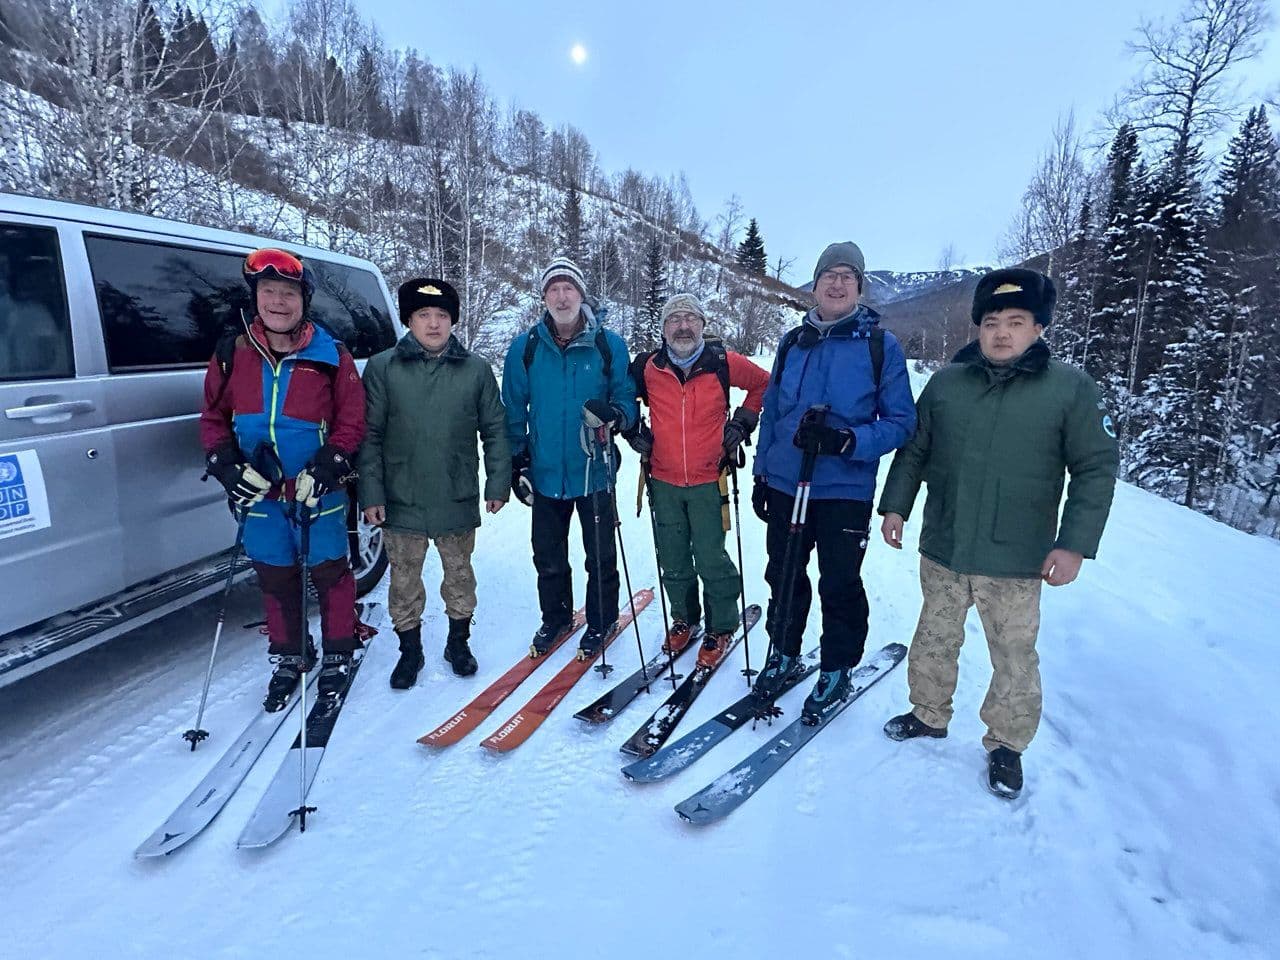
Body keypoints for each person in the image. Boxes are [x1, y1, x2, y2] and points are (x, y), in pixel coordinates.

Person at [878, 268, 1118, 799]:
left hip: (1016, 557)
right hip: (945, 544)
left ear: (1038, 327)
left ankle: (1007, 745)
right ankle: (928, 713)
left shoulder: (1070, 390)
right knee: (935, 636)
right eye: (991, 322)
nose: (1002, 333)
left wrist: (1074, 543)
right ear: (978, 328)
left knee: (1012, 654)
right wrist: (895, 506)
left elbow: (1096, 468)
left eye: (1016, 321)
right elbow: (915, 451)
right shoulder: (946, 385)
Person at [751, 241, 916, 723]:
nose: (837, 283)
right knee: (781, 573)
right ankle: (782, 652)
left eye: (847, 276)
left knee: (839, 581)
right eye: (829, 275)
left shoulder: (879, 346)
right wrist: (763, 472)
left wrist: (848, 441)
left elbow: (902, 422)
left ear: (859, 287)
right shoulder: (792, 342)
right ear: (816, 284)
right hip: (786, 482)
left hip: (843, 489)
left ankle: (837, 665)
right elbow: (774, 410)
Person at [200, 248, 366, 709]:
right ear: (255, 297)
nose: (278, 301)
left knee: (331, 571)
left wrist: (330, 463)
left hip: (318, 490)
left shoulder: (331, 355)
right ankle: (291, 654)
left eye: (288, 292)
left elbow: (353, 421)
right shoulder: (233, 353)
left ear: (303, 300)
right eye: (268, 291)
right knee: (275, 576)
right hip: (260, 493)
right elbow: (212, 418)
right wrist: (226, 464)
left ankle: (338, 650)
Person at [357, 278, 510, 689]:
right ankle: (411, 651)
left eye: (442, 315)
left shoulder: (475, 369)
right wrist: (370, 492)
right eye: (424, 315)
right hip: (400, 496)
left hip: (454, 493)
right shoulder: (383, 367)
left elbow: (496, 428)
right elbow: (368, 435)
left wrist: (498, 482)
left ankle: (458, 644)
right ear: (409, 319)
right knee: (404, 581)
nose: (434, 324)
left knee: (459, 575)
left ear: (452, 321)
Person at [502, 256, 637, 659]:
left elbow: (627, 399)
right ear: (544, 298)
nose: (562, 297)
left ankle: (601, 619)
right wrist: (517, 460)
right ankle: (557, 617)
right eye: (553, 289)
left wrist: (616, 414)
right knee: (548, 553)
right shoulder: (525, 347)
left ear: (581, 294)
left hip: (593, 469)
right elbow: (513, 408)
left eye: (569, 288)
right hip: (545, 472)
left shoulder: (607, 344)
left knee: (600, 553)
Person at [625, 293, 768, 666]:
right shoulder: (647, 368)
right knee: (672, 558)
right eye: (674, 319)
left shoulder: (722, 362)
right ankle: (684, 619)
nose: (683, 325)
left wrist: (744, 420)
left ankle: (721, 625)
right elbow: (621, 397)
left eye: (691, 318)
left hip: (709, 479)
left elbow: (765, 383)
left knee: (710, 557)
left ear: (703, 325)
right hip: (663, 480)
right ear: (663, 328)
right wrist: (630, 429)